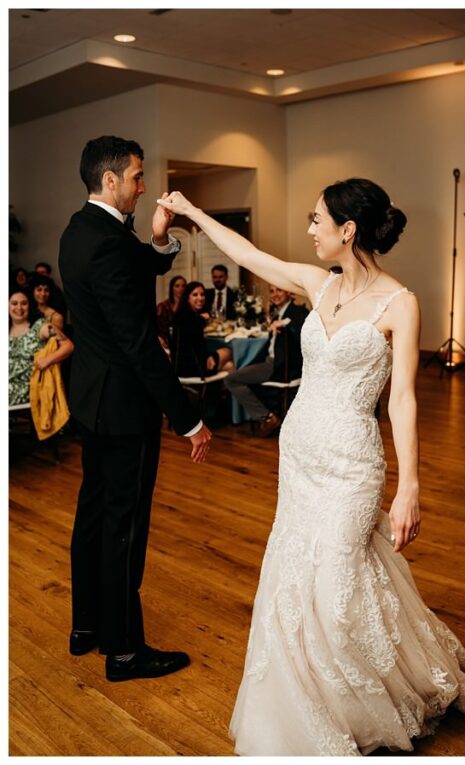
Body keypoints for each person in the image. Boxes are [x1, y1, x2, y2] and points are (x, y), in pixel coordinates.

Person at [157, 179, 465, 755]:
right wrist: (190, 212)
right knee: (297, 577)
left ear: (348, 229)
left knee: (338, 586)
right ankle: (314, 708)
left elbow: (404, 399)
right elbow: (248, 254)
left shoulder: (400, 303)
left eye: (316, 220)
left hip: (354, 462)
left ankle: (378, 699)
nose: (309, 230)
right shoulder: (319, 283)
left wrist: (410, 486)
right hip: (300, 454)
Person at [58, 135, 212, 683]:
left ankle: (88, 628)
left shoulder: (82, 231)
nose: (144, 186)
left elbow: (129, 268)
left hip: (91, 401)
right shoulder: (104, 241)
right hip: (124, 408)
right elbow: (137, 343)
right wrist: (187, 415)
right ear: (110, 181)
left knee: (94, 515)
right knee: (124, 527)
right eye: (137, 177)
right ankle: (124, 651)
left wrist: (161, 240)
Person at [224, 284, 308, 437]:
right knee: (239, 374)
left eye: (279, 290)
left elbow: (301, 326)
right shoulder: (276, 314)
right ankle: (268, 416)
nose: (275, 294)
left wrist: (283, 323)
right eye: (272, 291)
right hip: (270, 362)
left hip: (280, 366)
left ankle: (268, 418)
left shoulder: (297, 312)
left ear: (288, 291)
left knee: (231, 380)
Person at [9, 288, 73, 406]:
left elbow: (68, 345)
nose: (19, 308)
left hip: (29, 389)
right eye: (14, 303)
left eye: (24, 303)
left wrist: (47, 361)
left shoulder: (40, 327)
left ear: (30, 305)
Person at [171, 282, 234, 377]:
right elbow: (195, 344)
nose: (200, 298)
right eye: (195, 295)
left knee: (230, 366)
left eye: (202, 294)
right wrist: (202, 320)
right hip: (192, 367)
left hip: (181, 367)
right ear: (187, 298)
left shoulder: (183, 314)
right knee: (228, 351)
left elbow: (194, 343)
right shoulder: (189, 318)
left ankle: (211, 391)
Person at [156, 274, 186, 349]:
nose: (180, 289)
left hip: (183, 343)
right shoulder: (162, 306)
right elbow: (157, 327)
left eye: (183, 286)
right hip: (165, 343)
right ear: (172, 288)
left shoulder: (187, 306)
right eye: (177, 286)